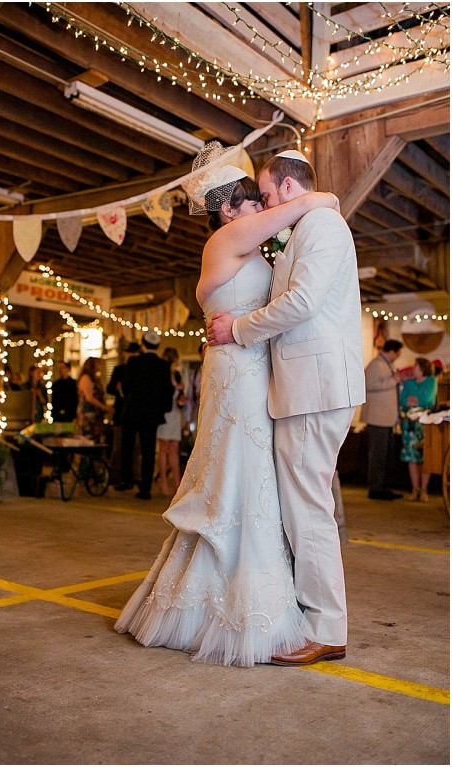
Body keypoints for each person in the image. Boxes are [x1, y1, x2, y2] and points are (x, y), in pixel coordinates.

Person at [116, 145, 345, 666]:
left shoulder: (248, 245)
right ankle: (235, 604)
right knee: (238, 478)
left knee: (252, 479)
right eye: (251, 199)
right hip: (237, 370)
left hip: (251, 366)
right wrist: (322, 195)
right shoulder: (227, 238)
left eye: (260, 197)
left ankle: (256, 595)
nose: (259, 207)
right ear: (229, 208)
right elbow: (289, 211)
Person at [205, 147, 365, 666]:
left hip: (314, 385)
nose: (266, 204)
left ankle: (326, 629)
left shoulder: (321, 226)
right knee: (303, 507)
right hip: (304, 385)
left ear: (288, 187)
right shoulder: (311, 225)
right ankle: (315, 617)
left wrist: (239, 329)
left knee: (309, 511)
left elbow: (302, 302)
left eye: (268, 193)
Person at [114, 332, 173, 500]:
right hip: (151, 415)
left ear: (143, 345)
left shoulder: (134, 362)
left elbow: (126, 386)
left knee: (128, 447)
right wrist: (163, 409)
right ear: (157, 346)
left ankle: (126, 479)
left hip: (132, 412)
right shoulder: (163, 365)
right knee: (148, 451)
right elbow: (167, 390)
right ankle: (146, 488)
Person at [363, 339, 404, 500]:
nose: (399, 355)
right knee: (378, 455)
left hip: (385, 418)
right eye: (399, 352)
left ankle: (384, 487)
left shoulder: (385, 365)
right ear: (393, 351)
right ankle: (376, 488)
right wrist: (393, 380)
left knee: (386, 456)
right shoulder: (376, 364)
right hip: (377, 418)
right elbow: (368, 384)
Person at [399, 356, 438, 502]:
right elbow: (403, 400)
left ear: (422, 368)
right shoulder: (409, 382)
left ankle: (424, 489)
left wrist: (413, 400)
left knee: (425, 457)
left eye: (415, 366)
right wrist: (413, 401)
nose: (412, 368)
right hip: (410, 424)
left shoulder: (431, 380)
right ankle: (415, 488)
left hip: (425, 423)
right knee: (412, 457)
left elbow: (429, 400)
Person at [108, 342, 141, 483]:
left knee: (135, 448)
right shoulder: (119, 370)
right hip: (121, 414)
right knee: (118, 448)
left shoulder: (142, 370)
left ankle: (133, 475)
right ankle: (116, 475)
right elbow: (109, 388)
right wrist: (118, 389)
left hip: (136, 415)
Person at [155, 347, 185, 497]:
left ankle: (177, 483)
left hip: (175, 413)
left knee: (174, 447)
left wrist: (181, 396)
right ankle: (163, 482)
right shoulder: (161, 375)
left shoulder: (177, 375)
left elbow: (181, 395)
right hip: (164, 414)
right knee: (164, 448)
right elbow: (160, 394)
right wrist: (175, 388)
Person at [77, 356, 111, 440]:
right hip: (89, 412)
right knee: (90, 436)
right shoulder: (86, 378)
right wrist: (103, 407)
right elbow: (89, 397)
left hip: (96, 413)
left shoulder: (96, 378)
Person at [50, 361, 78, 425]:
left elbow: (74, 400)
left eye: (63, 367)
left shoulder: (73, 383)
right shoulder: (56, 384)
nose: (61, 370)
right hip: (58, 416)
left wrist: (74, 416)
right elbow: (54, 400)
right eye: (60, 368)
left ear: (68, 369)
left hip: (69, 415)